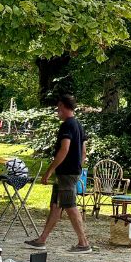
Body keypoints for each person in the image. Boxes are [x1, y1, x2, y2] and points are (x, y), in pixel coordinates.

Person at [24, 95, 92, 253]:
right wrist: (78, 168)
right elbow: (84, 152)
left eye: (58, 107)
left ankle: (83, 243)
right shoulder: (79, 125)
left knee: (70, 206)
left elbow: (64, 149)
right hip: (70, 172)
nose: (57, 111)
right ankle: (42, 240)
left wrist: (50, 170)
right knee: (55, 205)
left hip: (66, 173)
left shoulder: (67, 125)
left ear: (63, 106)